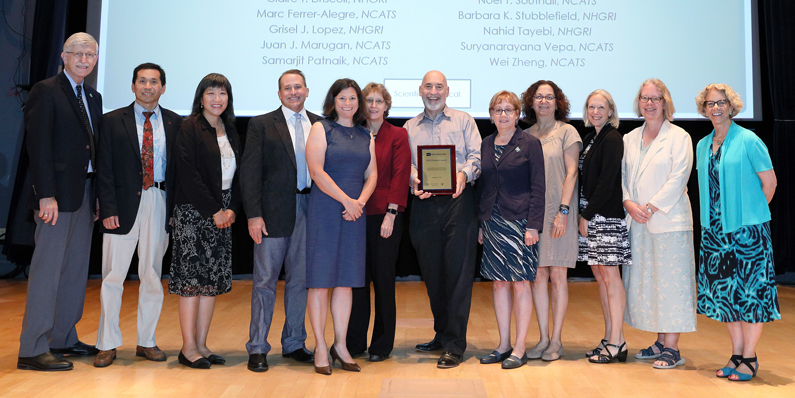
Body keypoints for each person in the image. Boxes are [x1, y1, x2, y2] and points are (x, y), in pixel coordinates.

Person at [17, 32, 102, 371]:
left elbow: (92, 148)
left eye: (91, 54)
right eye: (78, 53)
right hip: (54, 196)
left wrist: (97, 197)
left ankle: (63, 337)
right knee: (47, 271)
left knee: (74, 270)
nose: (85, 59)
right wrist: (44, 194)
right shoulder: (46, 90)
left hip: (83, 193)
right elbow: (36, 147)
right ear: (64, 56)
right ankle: (32, 348)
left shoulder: (93, 96)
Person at [94, 63, 182, 367]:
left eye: (154, 81)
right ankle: (107, 343)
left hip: (159, 201)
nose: (148, 86)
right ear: (133, 86)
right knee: (112, 276)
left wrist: (173, 211)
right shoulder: (110, 121)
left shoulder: (175, 123)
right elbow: (103, 168)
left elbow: (179, 172)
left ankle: (147, 341)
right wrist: (108, 208)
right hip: (121, 206)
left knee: (152, 275)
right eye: (142, 81)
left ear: (163, 87)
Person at [694, 84, 779, 381]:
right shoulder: (703, 145)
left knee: (751, 296)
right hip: (715, 233)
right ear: (704, 109)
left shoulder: (749, 140)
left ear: (731, 106)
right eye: (709, 104)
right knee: (726, 297)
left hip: (748, 235)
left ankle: (751, 357)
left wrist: (750, 216)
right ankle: (737, 354)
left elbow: (770, 183)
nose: (715, 108)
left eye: (721, 102)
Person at [240, 70, 319, 372]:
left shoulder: (320, 123)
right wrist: (253, 215)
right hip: (271, 215)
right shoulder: (261, 125)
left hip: (310, 210)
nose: (293, 92)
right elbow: (250, 173)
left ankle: (295, 342)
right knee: (264, 282)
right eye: (287, 88)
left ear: (307, 90)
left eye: (298, 87)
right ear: (279, 94)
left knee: (300, 281)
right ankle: (258, 347)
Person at [406, 71, 481, 368]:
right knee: (432, 273)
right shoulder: (409, 127)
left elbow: (476, 156)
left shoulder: (464, 121)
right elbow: (408, 165)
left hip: (458, 204)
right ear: (420, 90)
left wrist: (463, 174)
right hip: (424, 206)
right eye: (428, 86)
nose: (433, 92)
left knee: (459, 276)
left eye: (439, 87)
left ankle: (455, 344)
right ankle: (441, 334)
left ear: (448, 90)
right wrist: (414, 179)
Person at [621, 78, 696, 369]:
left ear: (665, 102)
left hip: (668, 220)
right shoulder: (629, 138)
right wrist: (629, 203)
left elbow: (679, 178)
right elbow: (624, 179)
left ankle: (673, 347)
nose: (649, 104)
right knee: (649, 283)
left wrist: (650, 207)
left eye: (655, 98)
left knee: (672, 283)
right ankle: (660, 341)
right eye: (644, 98)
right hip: (637, 220)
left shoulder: (680, 137)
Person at [305, 78, 377, 375]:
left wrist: (358, 202)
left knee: (345, 282)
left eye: (352, 98)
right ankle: (321, 346)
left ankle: (341, 345)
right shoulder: (321, 128)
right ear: (332, 101)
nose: (348, 103)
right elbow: (316, 171)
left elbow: (372, 175)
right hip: (326, 211)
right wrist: (347, 201)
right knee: (321, 282)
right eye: (342, 98)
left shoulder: (365, 134)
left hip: (354, 214)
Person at [170, 73, 241, 369]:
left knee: (210, 282)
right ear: (201, 98)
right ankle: (188, 348)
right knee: (191, 282)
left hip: (224, 212)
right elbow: (187, 173)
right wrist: (214, 210)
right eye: (211, 93)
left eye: (222, 94)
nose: (217, 99)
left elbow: (240, 175)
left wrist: (232, 208)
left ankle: (202, 344)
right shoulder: (189, 127)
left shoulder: (231, 130)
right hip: (194, 211)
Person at [476, 91, 545, 369]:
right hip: (492, 221)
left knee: (520, 283)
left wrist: (533, 225)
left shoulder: (530, 143)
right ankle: (503, 344)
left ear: (518, 114)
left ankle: (520, 347)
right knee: (499, 283)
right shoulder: (485, 143)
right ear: (491, 115)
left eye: (508, 110)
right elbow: (483, 187)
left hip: (520, 223)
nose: (503, 114)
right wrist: (482, 222)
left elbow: (539, 187)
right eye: (498, 110)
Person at [346, 83, 410, 363]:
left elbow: (400, 175)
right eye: (368, 100)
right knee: (357, 283)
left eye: (379, 101)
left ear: (387, 105)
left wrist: (391, 214)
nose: (373, 105)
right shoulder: (354, 133)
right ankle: (354, 342)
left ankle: (382, 345)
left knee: (383, 282)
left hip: (385, 217)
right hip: (356, 216)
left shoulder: (398, 135)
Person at [521, 80, 581, 361]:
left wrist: (564, 211)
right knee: (537, 276)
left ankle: (556, 341)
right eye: (538, 97)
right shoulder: (525, 135)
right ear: (531, 102)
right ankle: (543, 338)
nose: (544, 101)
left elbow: (572, 173)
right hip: (534, 215)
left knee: (557, 275)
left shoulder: (567, 132)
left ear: (558, 102)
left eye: (549, 97)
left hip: (560, 214)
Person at [577, 90, 632, 364]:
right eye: (591, 107)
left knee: (611, 277)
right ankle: (609, 336)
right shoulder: (591, 138)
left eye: (601, 107)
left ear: (611, 111)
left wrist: (585, 214)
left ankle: (618, 341)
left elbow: (607, 182)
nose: (595, 111)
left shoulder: (612, 138)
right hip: (592, 213)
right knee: (600, 275)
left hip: (605, 216)